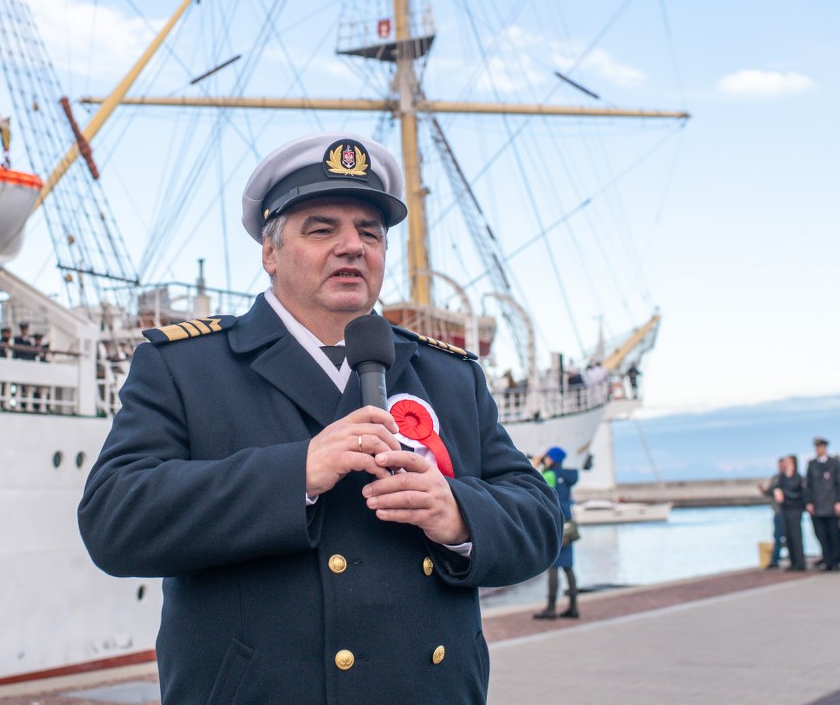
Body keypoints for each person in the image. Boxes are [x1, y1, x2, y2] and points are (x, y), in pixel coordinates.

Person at [79, 132, 560, 704]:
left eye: (370, 233)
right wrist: (296, 473)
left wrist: (457, 514)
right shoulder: (185, 367)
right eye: (322, 229)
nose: (352, 246)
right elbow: (114, 521)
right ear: (269, 252)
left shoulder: (449, 374)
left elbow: (539, 518)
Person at [531, 446, 579, 619]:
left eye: (547, 457)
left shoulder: (550, 474)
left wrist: (536, 465)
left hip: (557, 525)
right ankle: (573, 607)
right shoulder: (566, 475)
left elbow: (537, 487)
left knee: (553, 567)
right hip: (568, 524)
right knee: (568, 567)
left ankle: (551, 608)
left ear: (552, 459)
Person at [804, 437, 840, 571]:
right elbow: (808, 485)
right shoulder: (812, 464)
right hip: (817, 506)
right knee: (820, 534)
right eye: (816, 447)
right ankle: (827, 560)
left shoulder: (834, 463)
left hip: (831, 504)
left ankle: (836, 561)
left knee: (834, 534)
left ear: (825, 448)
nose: (818, 450)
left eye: (820, 447)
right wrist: (809, 502)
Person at [772, 455, 807, 571]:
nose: (785, 463)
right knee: (788, 537)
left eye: (788, 461)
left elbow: (800, 494)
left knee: (796, 536)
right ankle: (793, 562)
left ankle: (800, 563)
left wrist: (785, 494)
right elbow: (774, 487)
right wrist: (776, 490)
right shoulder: (782, 477)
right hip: (784, 510)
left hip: (795, 510)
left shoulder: (797, 477)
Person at [759, 458, 786, 569]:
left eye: (783, 465)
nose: (781, 467)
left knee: (789, 536)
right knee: (777, 536)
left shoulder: (788, 478)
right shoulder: (776, 478)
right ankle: (775, 560)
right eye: (780, 465)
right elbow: (770, 492)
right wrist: (763, 490)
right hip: (777, 511)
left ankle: (794, 558)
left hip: (787, 512)